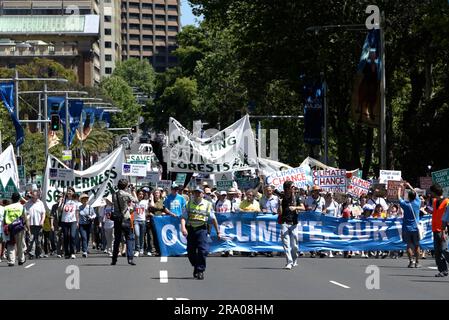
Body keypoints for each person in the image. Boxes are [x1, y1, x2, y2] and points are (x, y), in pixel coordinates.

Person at [181, 187, 221, 280]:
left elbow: (213, 219)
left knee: (203, 250)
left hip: (202, 229)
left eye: (199, 193)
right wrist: (183, 227)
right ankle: (196, 265)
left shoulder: (207, 204)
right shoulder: (189, 204)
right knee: (190, 251)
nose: (197, 194)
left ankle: (200, 270)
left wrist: (218, 232)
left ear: (203, 194)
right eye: (196, 192)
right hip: (191, 229)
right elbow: (183, 217)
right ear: (193, 194)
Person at [111, 179, 139, 266]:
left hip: (117, 218)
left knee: (117, 239)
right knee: (129, 238)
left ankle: (114, 259)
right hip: (125, 218)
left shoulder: (114, 194)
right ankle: (130, 258)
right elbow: (136, 200)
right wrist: (133, 191)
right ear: (126, 186)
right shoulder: (126, 194)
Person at [279, 181, 305, 269]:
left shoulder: (297, 197)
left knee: (294, 245)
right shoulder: (282, 197)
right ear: (287, 188)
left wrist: (295, 207)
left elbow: (303, 207)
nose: (294, 188)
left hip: (294, 223)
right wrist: (279, 204)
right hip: (284, 223)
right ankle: (289, 262)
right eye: (292, 187)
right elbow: (279, 212)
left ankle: (294, 260)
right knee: (286, 243)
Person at [398, 182, 422, 268]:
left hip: (407, 228)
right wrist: (409, 186)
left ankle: (411, 261)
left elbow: (398, 198)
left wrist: (400, 188)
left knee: (409, 245)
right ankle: (417, 262)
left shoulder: (405, 204)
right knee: (417, 245)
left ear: (408, 197)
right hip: (416, 228)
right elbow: (415, 194)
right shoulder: (417, 203)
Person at [3, 192, 29, 266]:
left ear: (12, 198)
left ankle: (11, 261)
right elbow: (25, 218)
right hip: (19, 227)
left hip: (9, 227)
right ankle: (21, 259)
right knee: (20, 244)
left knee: (10, 244)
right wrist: (28, 228)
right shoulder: (21, 207)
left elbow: (4, 218)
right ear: (19, 199)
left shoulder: (7, 207)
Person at [429, 184, 449, 277]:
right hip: (435, 229)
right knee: (437, 252)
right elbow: (434, 212)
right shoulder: (435, 201)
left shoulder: (446, 201)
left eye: (431, 191)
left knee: (444, 250)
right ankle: (443, 270)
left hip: (442, 229)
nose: (430, 193)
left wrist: (444, 231)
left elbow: (446, 217)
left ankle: (444, 269)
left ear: (434, 192)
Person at [24, 189, 46, 259]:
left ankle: (40, 252)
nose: (33, 197)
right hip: (30, 225)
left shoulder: (40, 203)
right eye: (32, 195)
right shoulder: (27, 203)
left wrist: (42, 221)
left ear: (37, 196)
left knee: (39, 240)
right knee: (31, 240)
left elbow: (43, 213)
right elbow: (24, 213)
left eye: (34, 195)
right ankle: (31, 254)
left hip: (38, 225)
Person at [305, 185, 325, 258]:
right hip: (310, 220)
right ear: (312, 192)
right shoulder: (308, 199)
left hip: (319, 220)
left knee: (319, 236)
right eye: (315, 191)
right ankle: (312, 251)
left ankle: (320, 250)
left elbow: (324, 208)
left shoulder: (322, 199)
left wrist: (324, 211)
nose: (317, 192)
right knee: (311, 236)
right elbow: (304, 207)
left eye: (318, 191)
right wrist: (308, 208)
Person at [60, 187, 80, 259]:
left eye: (70, 191)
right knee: (65, 237)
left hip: (73, 221)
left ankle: (72, 252)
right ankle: (67, 252)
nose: (69, 192)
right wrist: (61, 202)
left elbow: (77, 212)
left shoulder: (76, 201)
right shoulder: (64, 200)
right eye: (68, 191)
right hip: (64, 220)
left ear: (73, 192)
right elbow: (60, 210)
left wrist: (77, 222)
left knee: (72, 236)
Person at [78, 193, 96, 258]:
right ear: (81, 200)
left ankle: (85, 248)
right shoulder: (79, 207)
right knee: (84, 237)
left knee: (87, 237)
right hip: (81, 224)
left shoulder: (90, 207)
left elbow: (94, 214)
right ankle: (84, 251)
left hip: (88, 224)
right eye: (83, 199)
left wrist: (92, 217)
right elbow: (77, 215)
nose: (85, 200)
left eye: (86, 199)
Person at [134, 189, 148, 257]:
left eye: (142, 194)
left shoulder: (145, 202)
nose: (141, 195)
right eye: (139, 194)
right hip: (136, 220)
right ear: (137, 195)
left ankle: (141, 249)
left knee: (142, 236)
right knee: (137, 234)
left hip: (143, 220)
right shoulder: (135, 201)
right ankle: (137, 249)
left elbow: (148, 208)